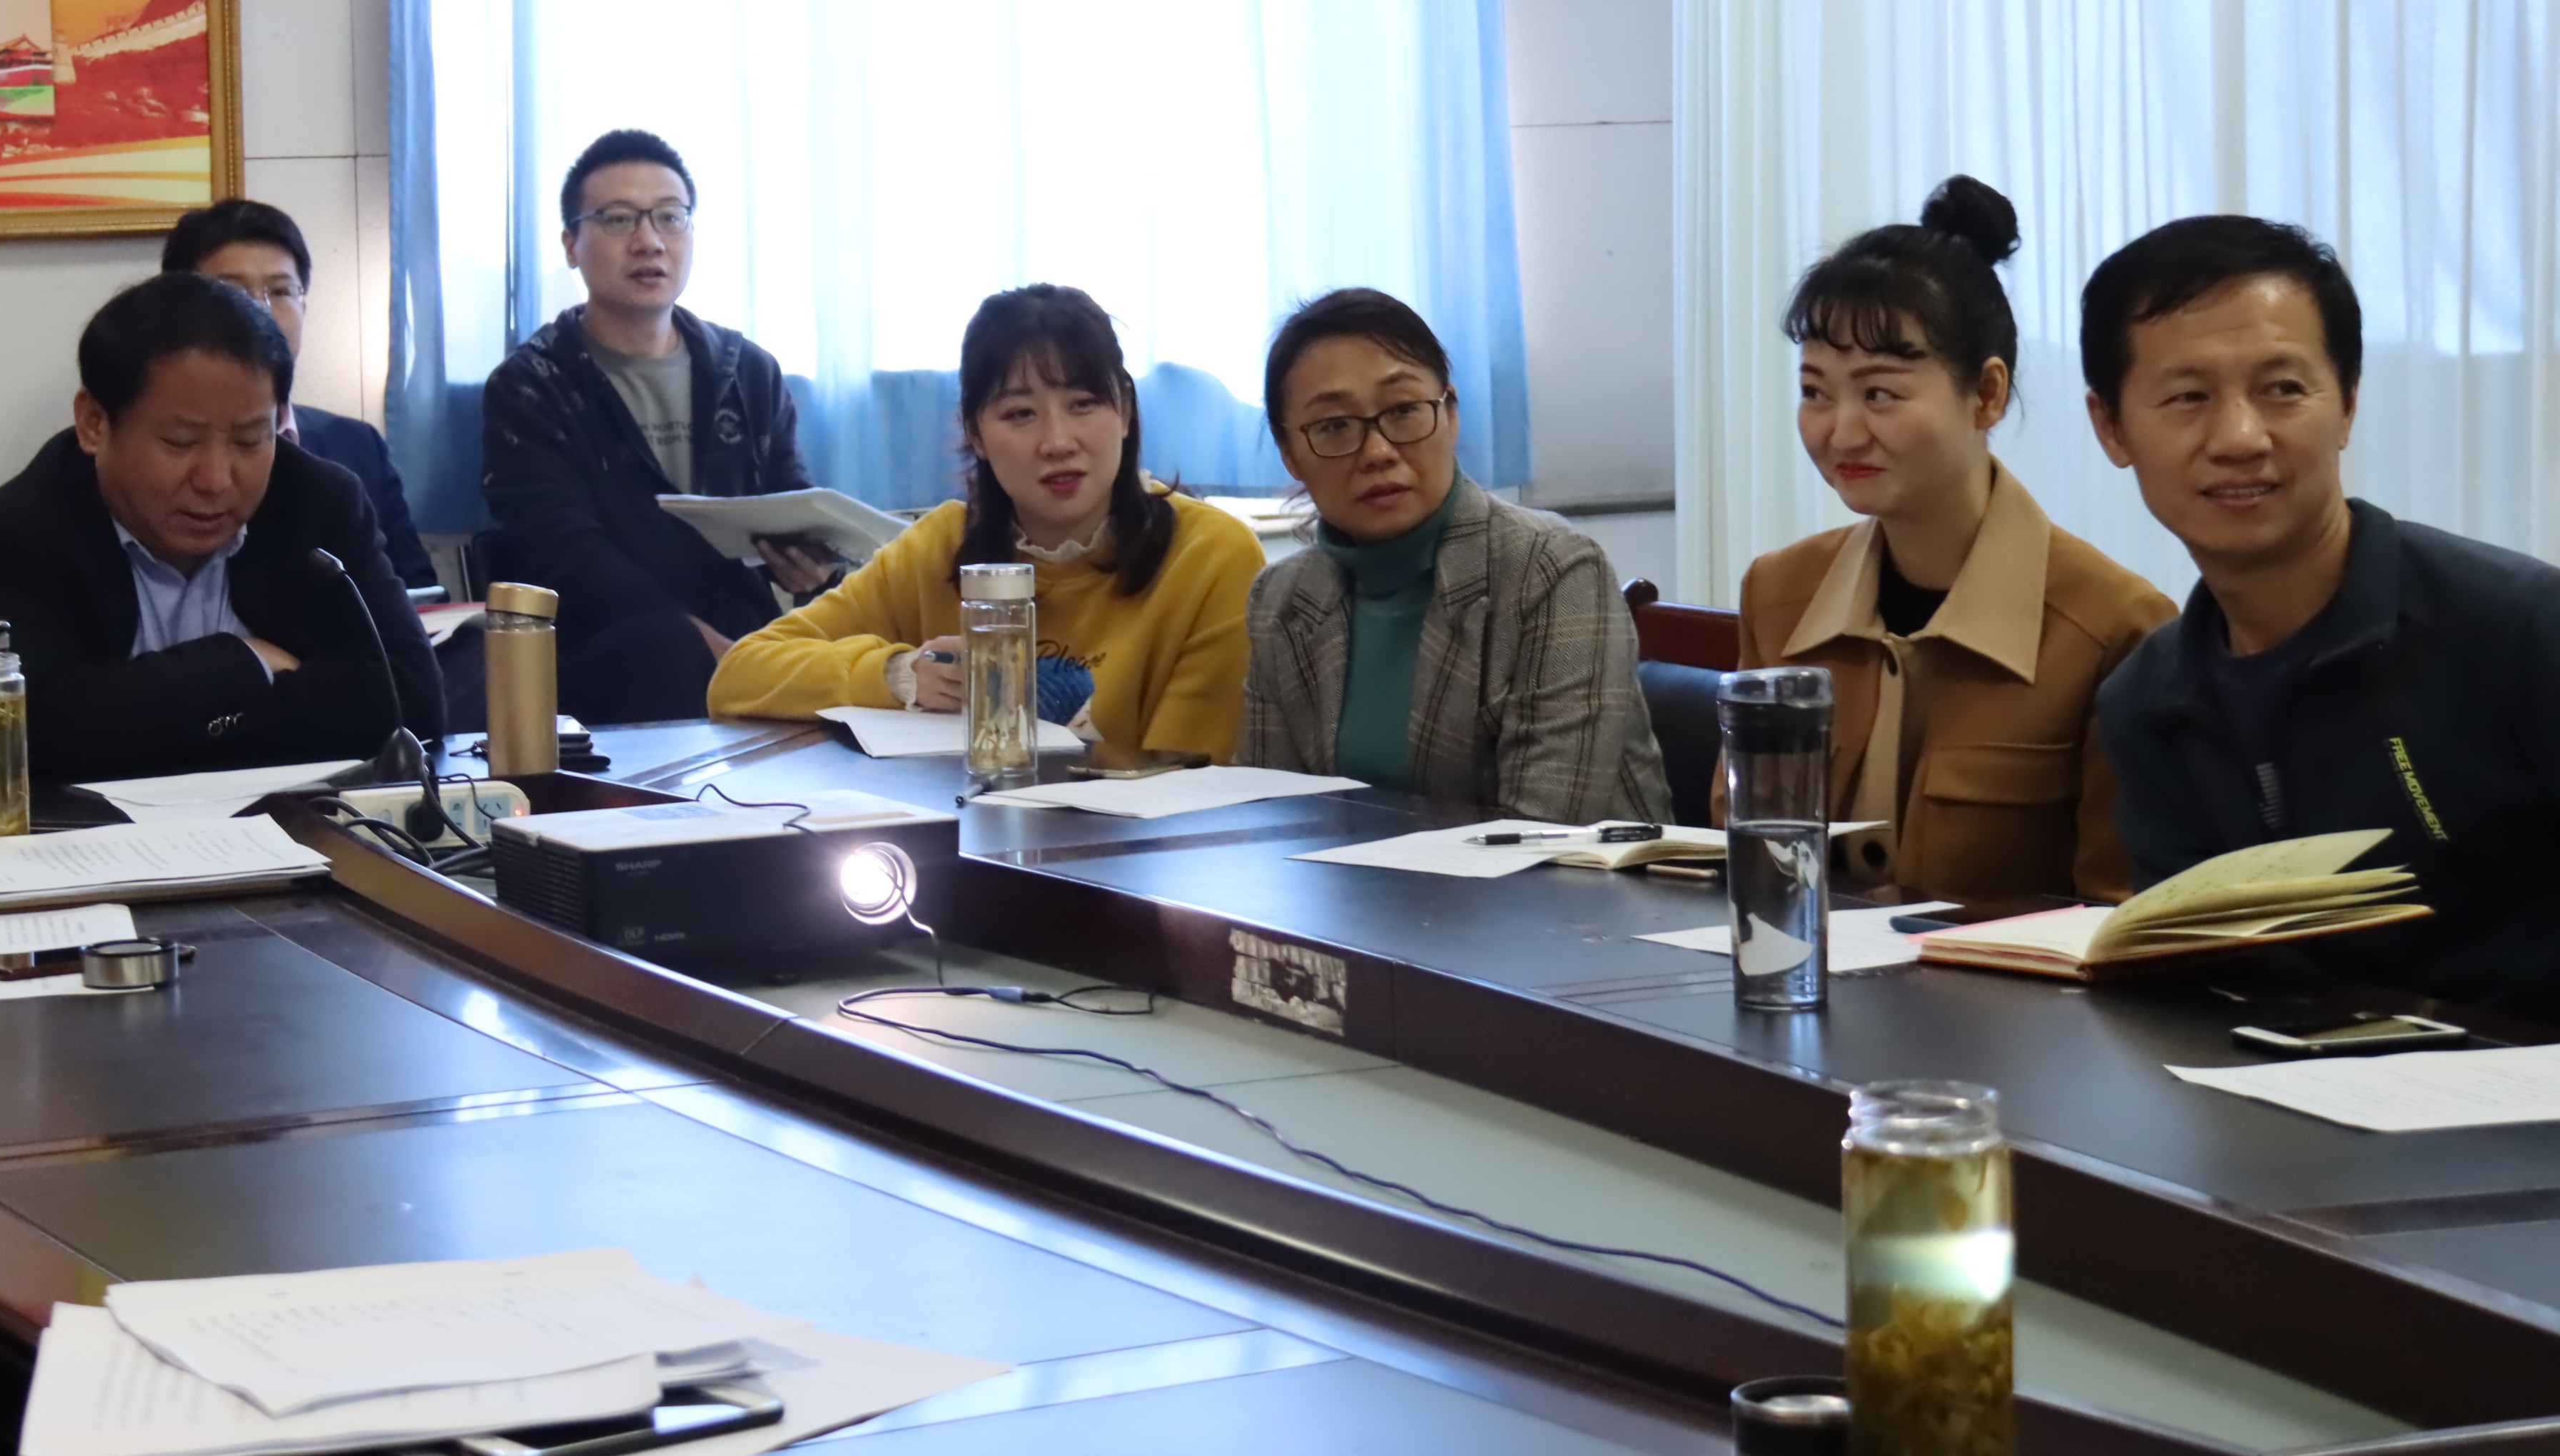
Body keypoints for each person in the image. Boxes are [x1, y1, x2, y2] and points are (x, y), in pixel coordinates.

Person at [2087, 215, 2560, 1018]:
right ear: (2111, 427)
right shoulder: (2146, 705)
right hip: (2276, 1089)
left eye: (2282, 388)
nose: (2240, 437)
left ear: (2346, 403)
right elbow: (2195, 989)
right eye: (2188, 396)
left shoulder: (2521, 629)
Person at [1733, 179, 2172, 901]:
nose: (1841, 432)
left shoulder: (2116, 627)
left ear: (1987, 394)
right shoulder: (1778, 595)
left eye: (1880, 393)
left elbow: (2114, 917)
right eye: (1815, 392)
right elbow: (1745, 862)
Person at [710, 285, 1263, 758]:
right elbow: (738, 676)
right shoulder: (940, 546)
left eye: (1083, 404)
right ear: (975, 433)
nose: (1058, 442)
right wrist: (899, 675)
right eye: (1020, 414)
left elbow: (1188, 777)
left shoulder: (1212, 555)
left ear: (1126, 411)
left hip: (1135, 844)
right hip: (959, 836)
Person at [0, 271, 440, 784]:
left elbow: (410, 699)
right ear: (94, 423)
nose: (216, 480)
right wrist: (244, 663)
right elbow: (34, 732)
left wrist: (149, 720)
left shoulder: (318, 503)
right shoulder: (17, 535)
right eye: (180, 443)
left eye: (249, 441)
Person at [1238, 288, 1665, 823]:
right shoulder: (1280, 600)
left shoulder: (1553, 569)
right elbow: (1270, 816)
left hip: (1561, 878)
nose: (1378, 452)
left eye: (1403, 411)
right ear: (1289, 453)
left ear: (1451, 413)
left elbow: (1547, 828)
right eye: (1335, 426)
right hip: (1347, 878)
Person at [482, 130, 842, 724]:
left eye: (670, 217)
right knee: (665, 649)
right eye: (619, 220)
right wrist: (707, 646)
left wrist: (812, 563)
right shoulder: (531, 386)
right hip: (602, 655)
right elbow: (563, 554)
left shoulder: (747, 371)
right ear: (572, 244)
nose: (649, 241)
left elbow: (787, 497)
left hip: (744, 639)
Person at [162, 197, 435, 591]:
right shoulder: (140, 450)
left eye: (280, 291)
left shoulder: (359, 447)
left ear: (304, 307)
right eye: (232, 291)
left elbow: (418, 593)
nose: (261, 310)